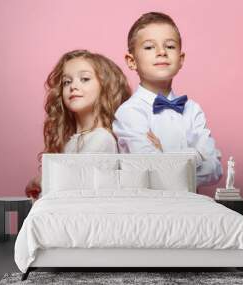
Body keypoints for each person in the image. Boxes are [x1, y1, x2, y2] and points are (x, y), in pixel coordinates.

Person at [112, 12, 222, 186]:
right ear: (131, 61)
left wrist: (165, 152)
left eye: (170, 46)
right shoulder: (129, 112)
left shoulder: (193, 110)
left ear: (181, 59)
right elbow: (151, 170)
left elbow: (215, 169)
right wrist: (195, 154)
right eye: (149, 47)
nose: (162, 52)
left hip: (190, 208)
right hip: (148, 208)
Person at [26, 50, 131, 199]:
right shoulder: (72, 140)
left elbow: (71, 185)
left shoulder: (101, 139)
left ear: (107, 87)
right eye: (67, 82)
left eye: (85, 79)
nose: (73, 86)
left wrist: (41, 181)